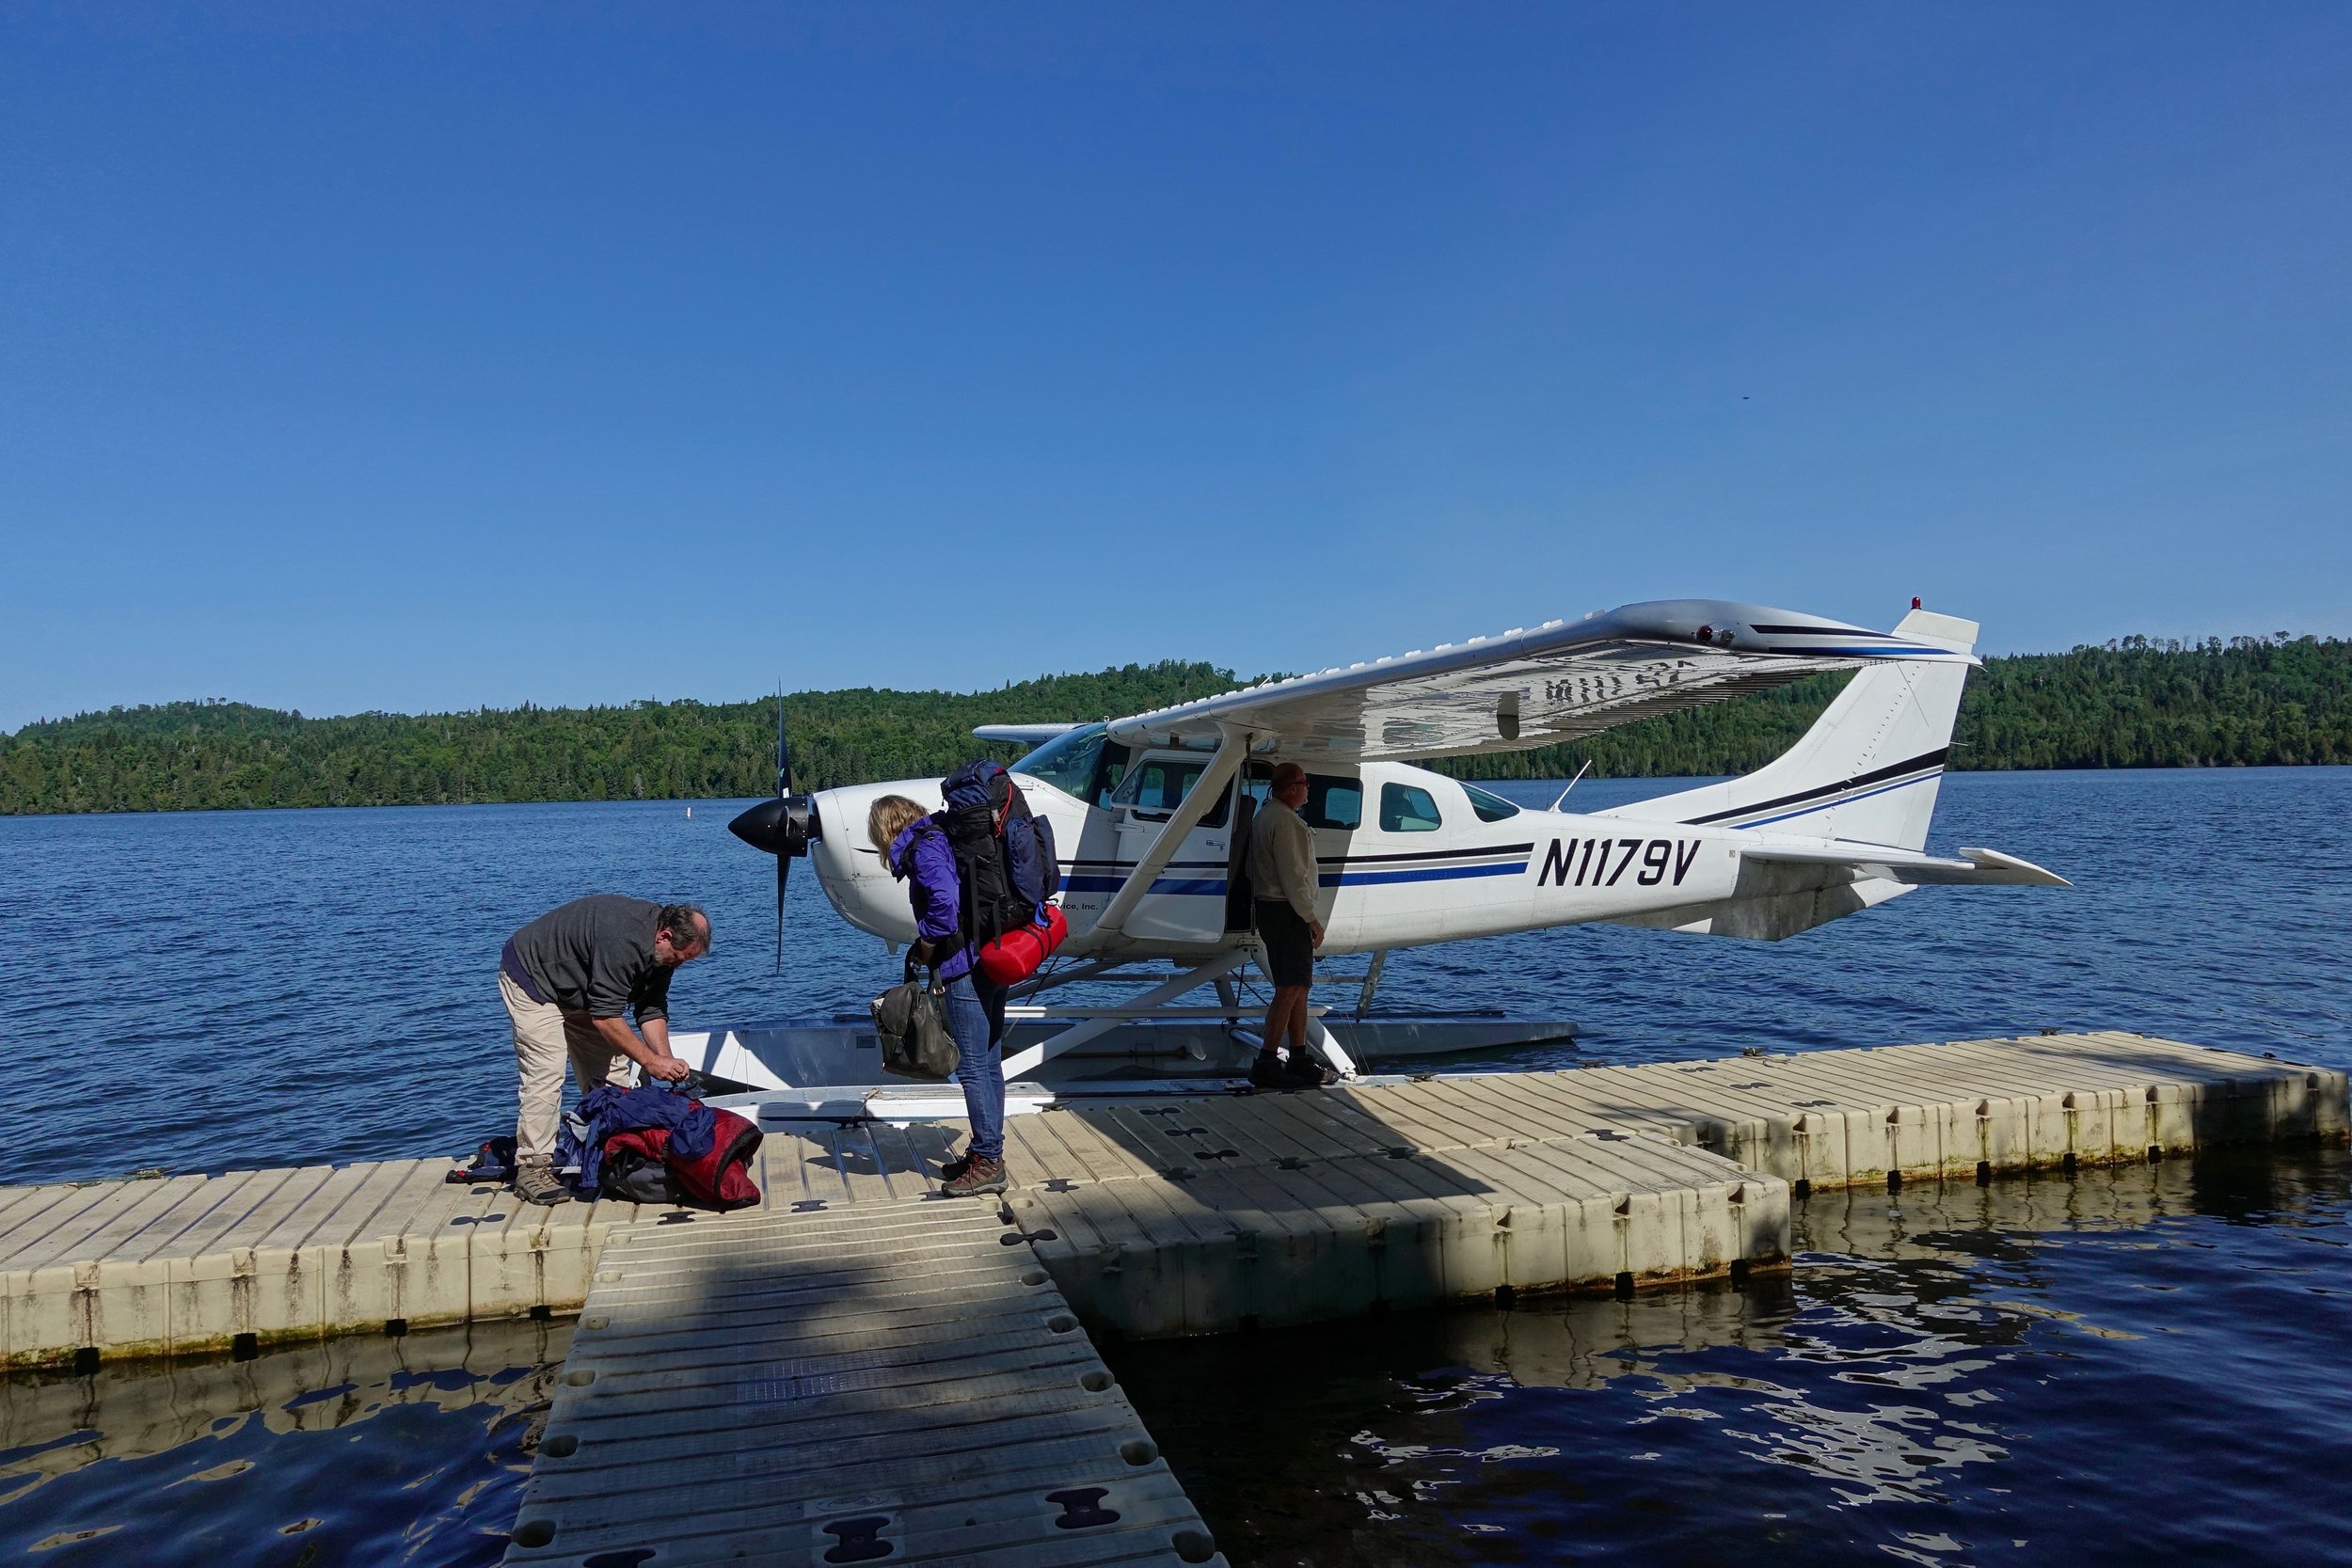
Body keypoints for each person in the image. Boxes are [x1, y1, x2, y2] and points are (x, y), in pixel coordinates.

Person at [500, 895, 711, 1205]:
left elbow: (650, 1007)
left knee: (611, 1080)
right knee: (546, 1073)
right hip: (534, 981)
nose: (678, 965)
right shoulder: (624, 941)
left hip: (582, 991)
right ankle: (533, 1167)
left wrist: (664, 1059)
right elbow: (606, 1017)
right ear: (664, 936)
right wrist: (651, 1062)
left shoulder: (662, 952)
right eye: (679, 957)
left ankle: (613, 1154)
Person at [869, 794, 1013, 1197]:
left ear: (885, 829)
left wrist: (928, 945)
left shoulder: (925, 850)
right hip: (989, 956)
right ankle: (987, 1151)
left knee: (970, 1068)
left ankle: (989, 1161)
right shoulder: (941, 839)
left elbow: (945, 906)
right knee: (988, 1062)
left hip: (963, 966)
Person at [1248, 761, 1332, 1089]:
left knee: (1299, 985)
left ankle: (1298, 1057)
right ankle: (1267, 1061)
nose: (1308, 787)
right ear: (1290, 788)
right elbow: (1294, 878)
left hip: (1273, 910)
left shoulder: (1266, 817)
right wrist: (1311, 919)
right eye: (1304, 782)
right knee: (1289, 987)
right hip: (1287, 912)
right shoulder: (1287, 824)